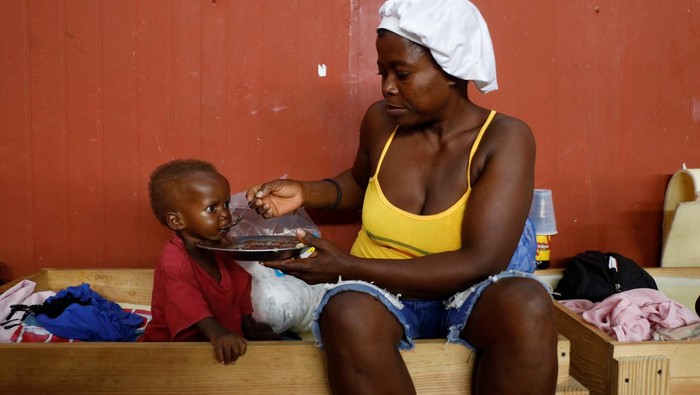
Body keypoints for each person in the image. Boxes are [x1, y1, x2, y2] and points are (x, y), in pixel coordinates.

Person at [246, 0, 558, 393]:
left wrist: (347, 267)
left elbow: (482, 261)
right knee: (347, 311)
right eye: (383, 72)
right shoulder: (382, 121)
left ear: (452, 69)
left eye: (403, 73)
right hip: (381, 293)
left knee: (527, 303)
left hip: (467, 291)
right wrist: (305, 192)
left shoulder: (504, 139)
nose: (387, 86)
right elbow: (360, 184)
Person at [143, 159, 280, 365]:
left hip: (223, 336)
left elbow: (239, 284)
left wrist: (248, 327)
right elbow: (188, 304)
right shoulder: (174, 262)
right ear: (177, 221)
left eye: (226, 204)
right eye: (211, 209)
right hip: (171, 351)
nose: (225, 214)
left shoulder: (216, 247)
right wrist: (218, 334)